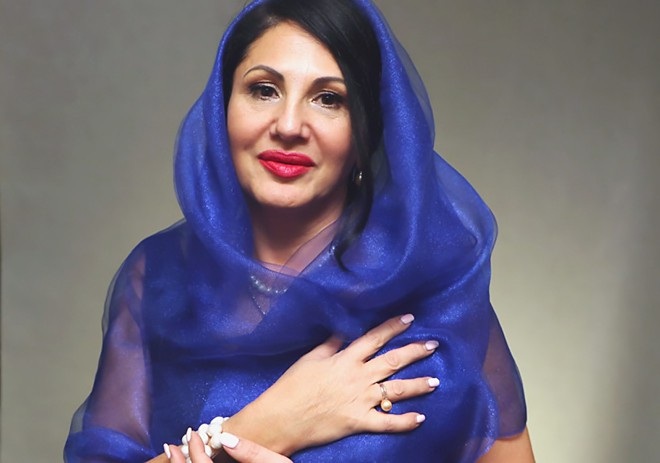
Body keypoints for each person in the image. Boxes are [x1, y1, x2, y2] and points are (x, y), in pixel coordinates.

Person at [65, 0, 533, 461]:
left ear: (366, 131)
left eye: (329, 99)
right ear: (221, 108)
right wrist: (264, 425)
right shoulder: (160, 277)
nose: (289, 126)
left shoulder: (430, 280)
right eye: (264, 90)